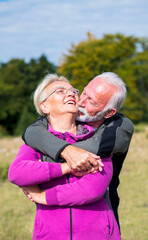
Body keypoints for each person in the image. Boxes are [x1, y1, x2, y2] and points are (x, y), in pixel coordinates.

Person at [8, 74, 121, 240]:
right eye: (60, 91)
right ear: (44, 106)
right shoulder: (34, 143)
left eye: (73, 91)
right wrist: (68, 166)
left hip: (99, 234)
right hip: (50, 235)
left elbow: (91, 190)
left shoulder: (97, 139)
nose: (71, 94)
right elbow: (17, 173)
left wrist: (42, 197)